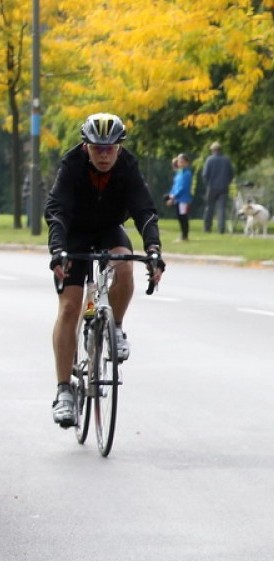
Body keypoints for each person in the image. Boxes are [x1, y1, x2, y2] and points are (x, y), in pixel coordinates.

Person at [45, 112, 165, 429]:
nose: (104, 155)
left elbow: (145, 211)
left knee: (124, 265)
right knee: (70, 307)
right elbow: (56, 212)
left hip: (109, 230)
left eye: (110, 148)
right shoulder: (71, 165)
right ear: (85, 146)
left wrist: (154, 250)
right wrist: (57, 251)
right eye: (97, 148)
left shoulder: (128, 166)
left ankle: (117, 327)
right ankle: (64, 391)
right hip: (75, 234)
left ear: (119, 148)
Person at [202, 141, 234, 233]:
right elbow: (231, 174)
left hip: (211, 187)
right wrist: (227, 182)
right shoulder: (226, 160)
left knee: (209, 208)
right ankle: (221, 229)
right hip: (224, 187)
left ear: (213, 150)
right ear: (220, 150)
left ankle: (207, 228)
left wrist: (208, 184)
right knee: (222, 209)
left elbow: (205, 174)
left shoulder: (209, 160)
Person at [168, 153, 193, 241]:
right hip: (177, 199)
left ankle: (185, 236)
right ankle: (183, 235)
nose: (180, 163)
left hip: (183, 199)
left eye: (182, 162)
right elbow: (175, 186)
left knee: (183, 217)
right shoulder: (179, 173)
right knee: (179, 217)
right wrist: (171, 195)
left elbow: (182, 187)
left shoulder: (187, 174)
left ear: (186, 163)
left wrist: (174, 196)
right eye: (179, 162)